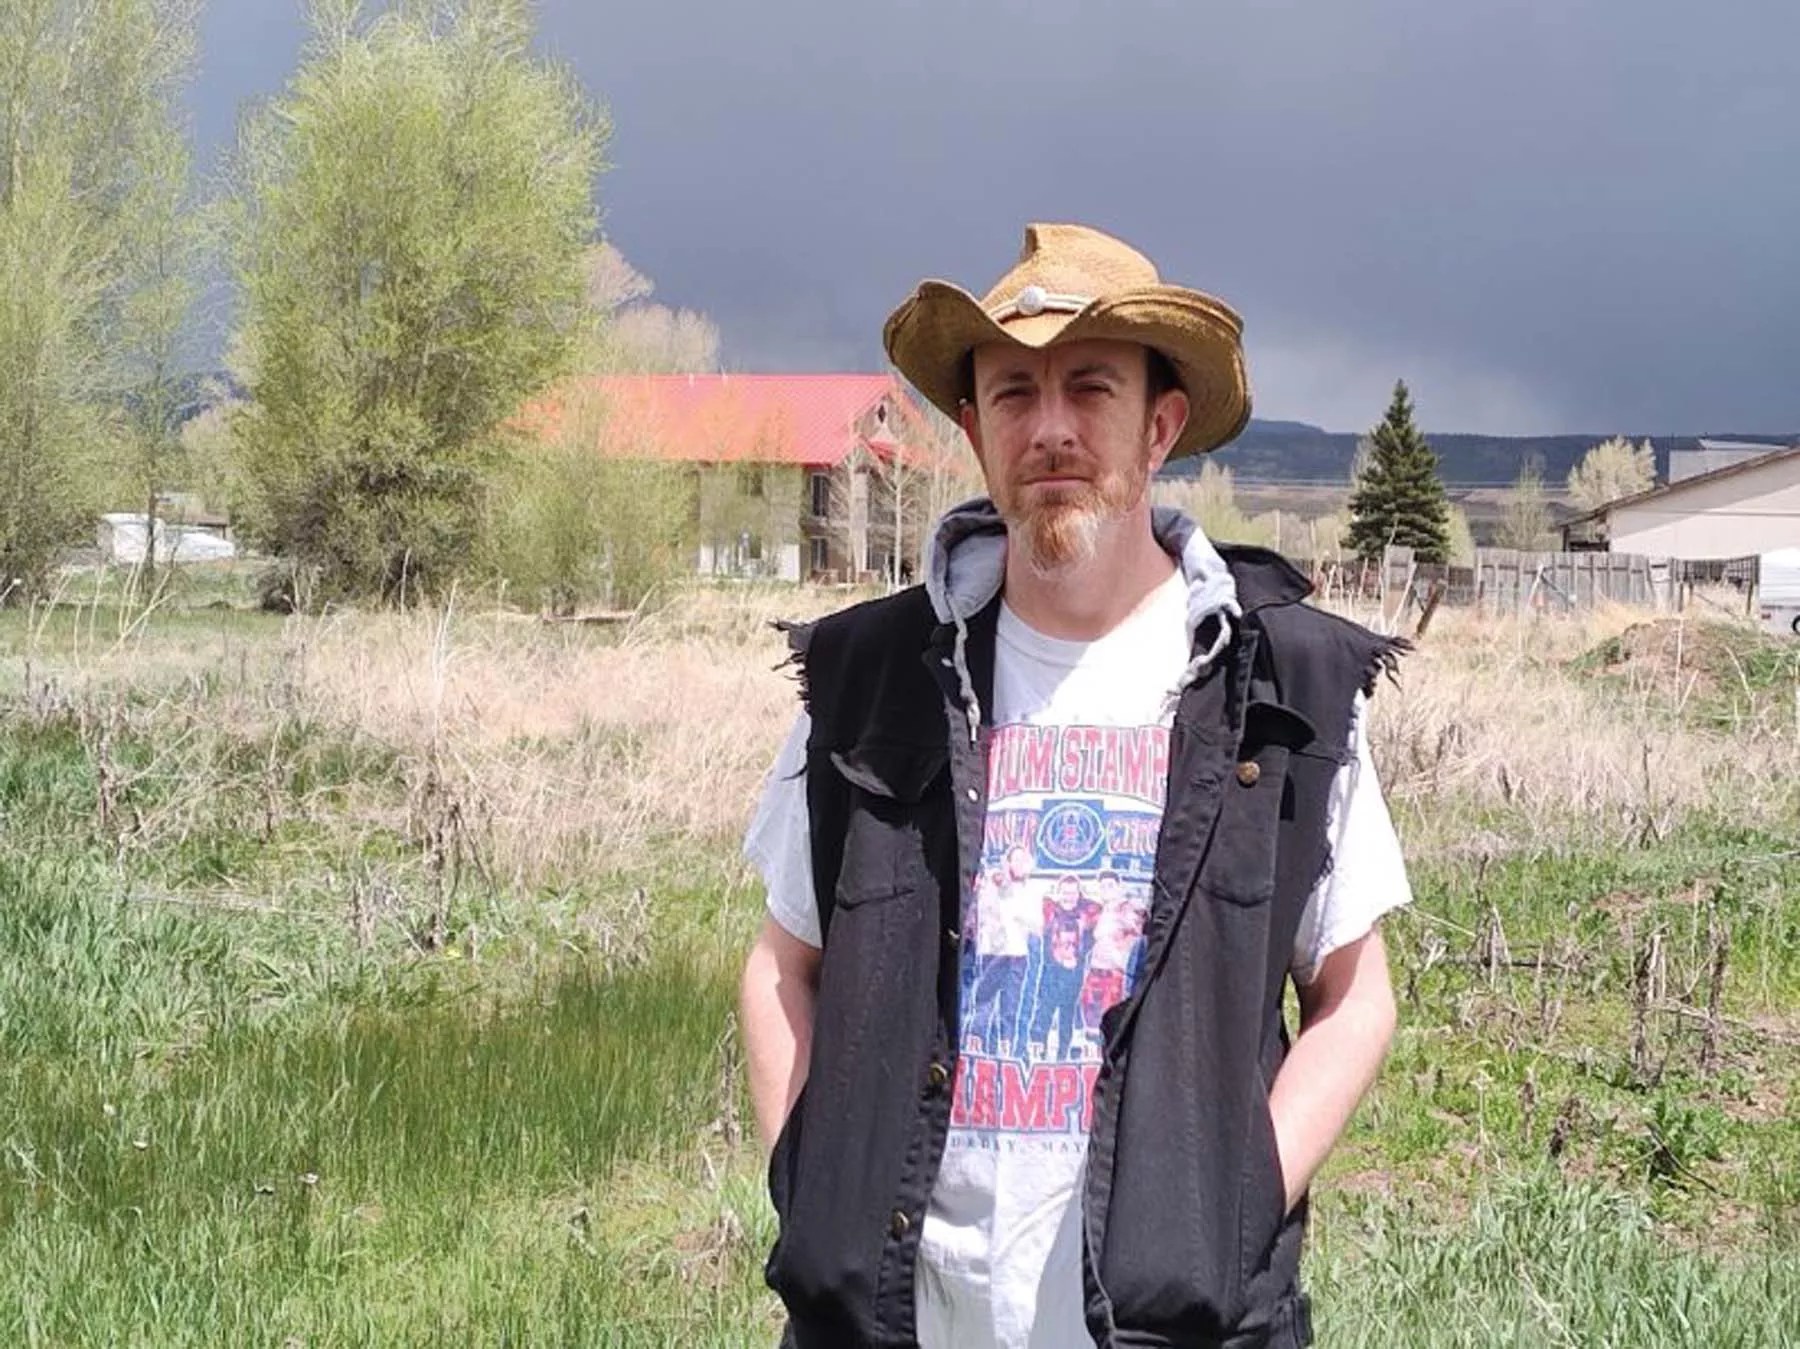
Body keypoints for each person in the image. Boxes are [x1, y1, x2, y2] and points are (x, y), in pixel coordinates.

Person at [739, 223, 1413, 1349]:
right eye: (1013, 393)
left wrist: (1240, 1193)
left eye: (1089, 387)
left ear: (1160, 424)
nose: (1049, 427)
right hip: (901, 1317)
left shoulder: (1277, 688)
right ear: (973, 428)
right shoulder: (872, 681)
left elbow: (1356, 995)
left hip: (1172, 1326)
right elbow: (781, 963)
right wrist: (807, 1179)